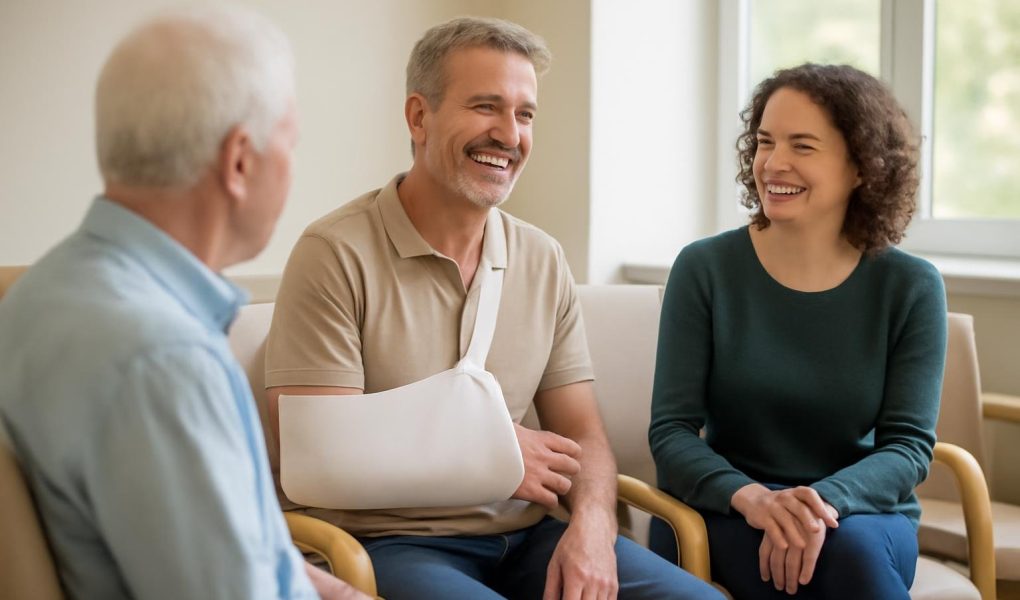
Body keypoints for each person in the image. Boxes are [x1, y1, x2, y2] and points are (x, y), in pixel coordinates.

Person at [264, 16, 722, 600]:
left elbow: (583, 435)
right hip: (390, 545)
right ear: (418, 117)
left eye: (524, 114)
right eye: (486, 106)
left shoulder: (541, 258)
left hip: (531, 537)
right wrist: (494, 456)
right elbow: (315, 456)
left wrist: (593, 527)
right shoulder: (333, 253)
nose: (509, 134)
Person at [0, 6, 367, 600]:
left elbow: (225, 551)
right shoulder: (164, 361)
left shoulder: (40, 294)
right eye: (290, 144)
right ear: (241, 162)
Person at [648, 63, 948, 599]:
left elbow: (907, 448)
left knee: (848, 552)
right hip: (724, 510)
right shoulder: (705, 269)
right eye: (765, 141)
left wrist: (820, 503)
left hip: (860, 516)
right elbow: (671, 433)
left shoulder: (911, 286)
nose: (773, 163)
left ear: (863, 167)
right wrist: (756, 499)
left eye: (802, 146)